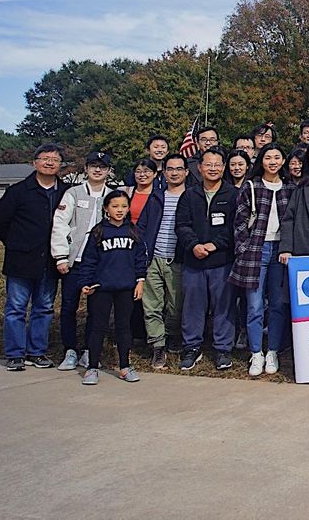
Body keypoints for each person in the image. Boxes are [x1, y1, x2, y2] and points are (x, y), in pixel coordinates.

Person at [0, 143, 69, 371]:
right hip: (21, 260)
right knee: (16, 308)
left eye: (54, 160)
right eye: (45, 158)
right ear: (34, 162)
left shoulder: (66, 192)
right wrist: (17, 244)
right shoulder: (18, 191)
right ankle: (15, 354)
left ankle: (36, 352)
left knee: (44, 307)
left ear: (60, 165)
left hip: (50, 261)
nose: (49, 162)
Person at [230, 145, 296, 378]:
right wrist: (244, 248)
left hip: (282, 251)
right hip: (256, 250)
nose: (273, 161)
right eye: (268, 157)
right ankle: (256, 351)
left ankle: (273, 351)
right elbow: (239, 222)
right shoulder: (251, 186)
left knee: (278, 305)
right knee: (255, 306)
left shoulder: (290, 187)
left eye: (277, 157)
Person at [175, 149, 237, 371]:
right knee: (192, 306)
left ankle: (222, 349)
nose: (213, 168)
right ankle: (191, 347)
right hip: (194, 261)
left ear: (223, 167)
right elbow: (181, 225)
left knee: (224, 306)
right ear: (199, 168)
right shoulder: (189, 195)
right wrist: (194, 245)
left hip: (222, 261)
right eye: (208, 165)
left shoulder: (233, 194)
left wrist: (215, 245)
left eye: (217, 164)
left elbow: (236, 227)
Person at [51, 151, 113, 371]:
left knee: (95, 310)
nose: (98, 170)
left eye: (102, 167)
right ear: (86, 168)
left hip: (98, 264)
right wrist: (61, 256)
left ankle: (89, 350)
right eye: (93, 166)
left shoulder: (112, 196)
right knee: (69, 307)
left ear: (108, 171)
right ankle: (69, 350)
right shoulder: (73, 193)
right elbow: (60, 224)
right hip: (74, 262)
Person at [78, 190, 147, 386]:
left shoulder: (133, 231)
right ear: (106, 208)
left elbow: (140, 260)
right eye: (115, 206)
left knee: (124, 327)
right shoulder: (98, 232)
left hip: (126, 287)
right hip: (101, 288)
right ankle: (92, 367)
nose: (120, 210)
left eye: (124, 206)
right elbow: (89, 260)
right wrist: (85, 283)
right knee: (98, 327)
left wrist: (140, 281)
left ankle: (125, 366)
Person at [138, 153, 189, 369]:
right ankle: (158, 346)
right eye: (170, 169)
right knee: (151, 306)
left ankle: (172, 335)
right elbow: (141, 227)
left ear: (186, 172)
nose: (174, 173)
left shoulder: (192, 196)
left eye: (179, 169)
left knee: (176, 306)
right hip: (154, 259)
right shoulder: (156, 197)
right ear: (164, 172)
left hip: (178, 260)